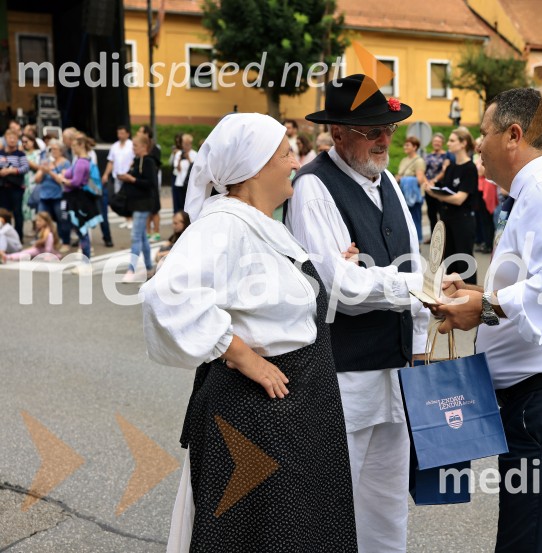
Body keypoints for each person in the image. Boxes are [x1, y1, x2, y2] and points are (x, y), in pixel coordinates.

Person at [142, 113, 358, 552]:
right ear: (255, 167)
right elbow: (166, 294)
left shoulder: (261, 224)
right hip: (257, 419)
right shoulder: (224, 224)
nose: (296, 162)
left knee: (297, 533)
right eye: (285, 154)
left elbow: (275, 301)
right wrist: (241, 354)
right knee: (262, 536)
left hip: (292, 414)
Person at [431, 87, 542, 552]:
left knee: (529, 542)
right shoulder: (541, 192)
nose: (477, 144)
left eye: (484, 132)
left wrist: (489, 308)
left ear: (514, 135)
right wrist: (481, 298)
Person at [285, 74, 428, 553]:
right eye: (371, 131)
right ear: (338, 133)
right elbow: (341, 289)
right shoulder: (313, 187)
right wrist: (417, 287)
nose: (384, 139)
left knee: (386, 506)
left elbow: (414, 260)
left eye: (387, 129)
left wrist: (421, 342)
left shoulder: (385, 179)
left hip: (395, 371)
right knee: (331, 502)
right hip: (343, 375)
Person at [425, 127, 479, 285]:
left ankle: (470, 297)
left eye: (452, 140)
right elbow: (444, 191)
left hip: (462, 220)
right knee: (448, 261)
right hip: (446, 219)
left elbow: (459, 199)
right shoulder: (450, 167)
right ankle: (451, 296)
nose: (448, 143)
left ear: (463, 144)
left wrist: (434, 194)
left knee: (464, 261)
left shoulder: (470, 168)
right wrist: (433, 187)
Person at [117, 134, 158, 281]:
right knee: (141, 237)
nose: (133, 148)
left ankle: (131, 270)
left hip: (143, 203)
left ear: (144, 147)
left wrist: (132, 179)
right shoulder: (137, 160)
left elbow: (151, 183)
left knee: (135, 236)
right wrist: (126, 177)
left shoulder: (148, 161)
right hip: (137, 203)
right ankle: (148, 267)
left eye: (135, 146)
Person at [55, 133, 102, 259]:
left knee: (82, 230)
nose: (72, 148)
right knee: (81, 230)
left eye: (75, 146)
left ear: (81, 146)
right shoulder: (83, 161)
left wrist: (63, 179)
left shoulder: (81, 162)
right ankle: (85, 260)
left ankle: (86, 262)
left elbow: (76, 182)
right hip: (79, 198)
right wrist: (66, 174)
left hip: (79, 199)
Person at [34, 140, 70, 246]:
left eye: (55, 149)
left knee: (62, 219)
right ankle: (42, 241)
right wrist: (42, 170)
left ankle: (65, 241)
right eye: (51, 149)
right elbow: (37, 180)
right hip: (44, 196)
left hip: (59, 196)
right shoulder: (46, 162)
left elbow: (62, 181)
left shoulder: (65, 163)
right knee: (41, 219)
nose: (52, 151)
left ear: (61, 150)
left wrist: (49, 172)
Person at [102, 125, 135, 232]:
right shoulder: (114, 146)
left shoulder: (131, 145)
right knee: (119, 198)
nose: (120, 135)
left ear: (127, 134)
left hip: (128, 176)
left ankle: (131, 219)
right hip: (117, 176)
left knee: (129, 197)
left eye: (122, 133)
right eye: (118, 133)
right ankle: (126, 218)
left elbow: (135, 159)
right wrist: (106, 174)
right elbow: (111, 161)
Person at [395, 136, 426, 242]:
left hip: (414, 197)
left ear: (415, 147)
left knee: (414, 221)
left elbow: (420, 180)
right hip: (403, 195)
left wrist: (403, 179)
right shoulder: (404, 160)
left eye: (408, 145)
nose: (405, 146)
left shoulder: (419, 161)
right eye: (405, 144)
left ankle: (417, 244)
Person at [0, 129, 29, 241]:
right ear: (5, 139)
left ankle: (18, 237)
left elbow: (25, 168)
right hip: (2, 187)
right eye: (10, 138)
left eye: (14, 138)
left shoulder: (20, 154)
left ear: (17, 140)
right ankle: (5, 237)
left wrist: (12, 171)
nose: (12, 140)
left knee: (17, 213)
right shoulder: (1, 153)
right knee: (3, 213)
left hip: (16, 188)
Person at [137, 125, 162, 242]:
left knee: (155, 208)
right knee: (146, 208)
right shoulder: (139, 150)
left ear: (147, 134)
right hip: (144, 184)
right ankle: (148, 232)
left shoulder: (154, 148)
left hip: (153, 182)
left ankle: (156, 231)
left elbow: (156, 164)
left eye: (141, 132)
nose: (138, 133)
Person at [423, 132, 450, 242]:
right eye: (435, 142)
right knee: (431, 212)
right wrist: (427, 182)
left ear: (442, 143)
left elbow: (445, 170)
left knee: (442, 211)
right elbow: (423, 171)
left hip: (440, 186)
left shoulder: (446, 155)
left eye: (439, 142)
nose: (437, 143)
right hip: (429, 186)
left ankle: (443, 236)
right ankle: (434, 237)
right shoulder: (428, 156)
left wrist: (434, 180)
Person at [172, 133, 197, 213]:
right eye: (183, 144)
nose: (185, 146)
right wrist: (179, 160)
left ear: (190, 144)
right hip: (179, 182)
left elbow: (194, 168)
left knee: (188, 205)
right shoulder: (179, 153)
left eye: (187, 144)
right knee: (179, 203)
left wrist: (188, 158)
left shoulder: (194, 154)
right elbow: (177, 169)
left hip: (189, 183)